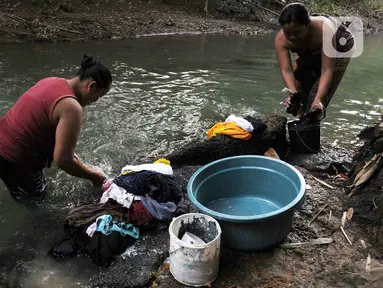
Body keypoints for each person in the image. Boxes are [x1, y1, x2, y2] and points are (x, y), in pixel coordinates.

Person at [0, 55, 112, 201]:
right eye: (99, 96)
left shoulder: (52, 81)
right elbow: (63, 161)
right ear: (91, 86)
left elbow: (39, 123)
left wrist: (74, 158)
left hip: (3, 144)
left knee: (18, 190)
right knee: (37, 202)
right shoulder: (71, 107)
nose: (96, 101)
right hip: (16, 159)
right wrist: (95, 177)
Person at [274, 2, 355, 123]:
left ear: (307, 25)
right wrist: (292, 93)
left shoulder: (324, 30)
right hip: (310, 50)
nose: (291, 37)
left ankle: (311, 122)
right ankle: (302, 122)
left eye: (296, 32)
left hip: (340, 45)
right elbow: (286, 70)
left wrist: (318, 99)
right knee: (299, 93)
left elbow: (327, 70)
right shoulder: (281, 39)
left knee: (314, 102)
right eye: (287, 32)